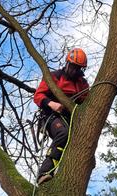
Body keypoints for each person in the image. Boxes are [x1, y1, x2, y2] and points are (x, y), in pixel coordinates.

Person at [34, 48, 89, 185]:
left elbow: (87, 102)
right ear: (67, 63)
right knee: (62, 133)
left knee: (76, 143)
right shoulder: (55, 76)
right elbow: (38, 96)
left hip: (70, 119)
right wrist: (51, 103)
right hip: (51, 116)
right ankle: (44, 172)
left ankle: (63, 176)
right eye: (73, 67)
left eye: (78, 68)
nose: (75, 71)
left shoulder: (82, 84)